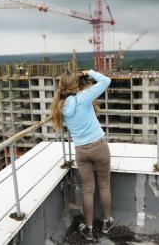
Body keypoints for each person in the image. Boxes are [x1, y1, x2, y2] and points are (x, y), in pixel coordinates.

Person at [51, 69, 114, 241]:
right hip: (98, 147)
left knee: (88, 190)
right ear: (76, 84)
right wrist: (89, 72)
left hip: (81, 151)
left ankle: (89, 228)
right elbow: (106, 81)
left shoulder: (61, 105)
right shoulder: (83, 97)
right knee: (104, 186)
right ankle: (107, 223)